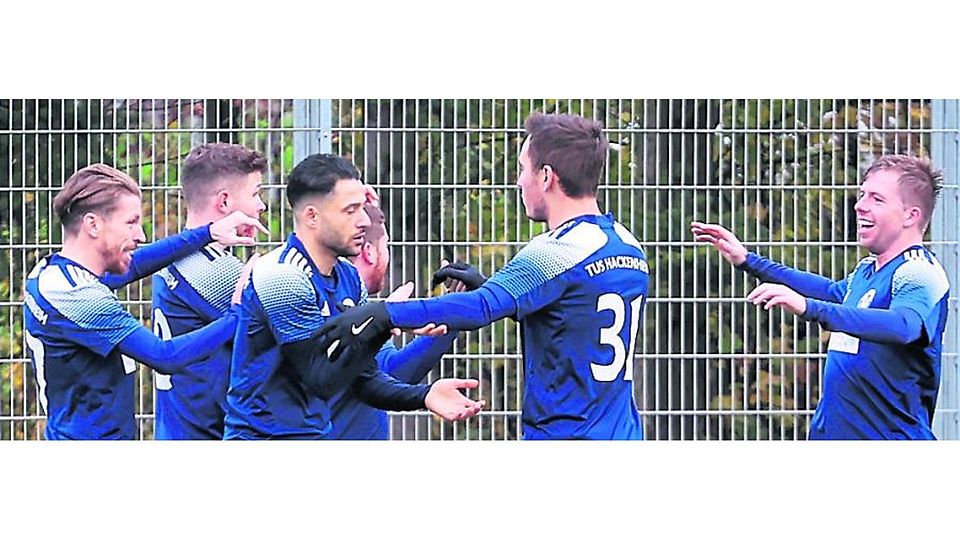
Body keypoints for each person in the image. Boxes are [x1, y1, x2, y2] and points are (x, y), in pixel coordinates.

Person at [316, 113, 650, 440]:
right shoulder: (628, 246)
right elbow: (570, 323)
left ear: (546, 176)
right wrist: (492, 289)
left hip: (565, 434)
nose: (519, 181)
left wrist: (382, 314)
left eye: (523, 169)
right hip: (622, 433)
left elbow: (482, 307)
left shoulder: (558, 249)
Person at [223, 153, 484, 440]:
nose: (362, 221)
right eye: (350, 210)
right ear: (312, 216)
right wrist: (385, 320)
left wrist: (424, 396)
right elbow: (321, 377)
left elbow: (362, 380)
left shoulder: (348, 277)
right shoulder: (282, 276)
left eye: (362, 208)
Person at [691, 154, 949, 440]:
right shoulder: (866, 271)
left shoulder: (919, 271)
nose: (860, 205)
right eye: (862, 194)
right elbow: (830, 292)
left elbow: (903, 326)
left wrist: (808, 308)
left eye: (876, 199)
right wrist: (748, 260)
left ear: (910, 215)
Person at [22, 163, 265, 440]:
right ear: (93, 224)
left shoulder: (53, 274)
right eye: (131, 222)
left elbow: (136, 266)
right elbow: (165, 356)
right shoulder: (79, 295)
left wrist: (209, 233)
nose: (141, 236)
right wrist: (238, 315)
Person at [151, 143, 268, 439]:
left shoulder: (174, 257)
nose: (261, 206)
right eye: (255, 193)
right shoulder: (210, 270)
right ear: (225, 202)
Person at [327, 202, 469, 440]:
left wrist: (453, 311)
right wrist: (454, 311)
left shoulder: (350, 302)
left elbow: (391, 372)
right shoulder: (343, 308)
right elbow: (394, 373)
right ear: (369, 251)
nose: (388, 254)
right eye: (387, 245)